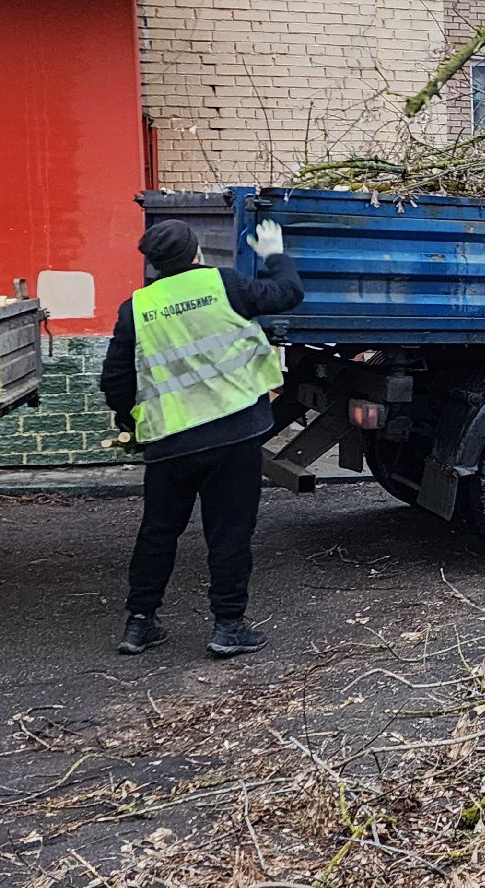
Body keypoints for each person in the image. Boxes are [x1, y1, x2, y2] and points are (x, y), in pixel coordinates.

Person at [100, 219, 303, 657]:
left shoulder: (135, 308)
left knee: (158, 532)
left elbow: (114, 380)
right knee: (229, 533)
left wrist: (132, 421)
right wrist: (273, 254)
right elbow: (288, 294)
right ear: (197, 254)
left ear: (153, 264)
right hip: (233, 434)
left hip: (169, 442)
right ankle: (228, 627)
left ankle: (139, 624)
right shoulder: (225, 286)